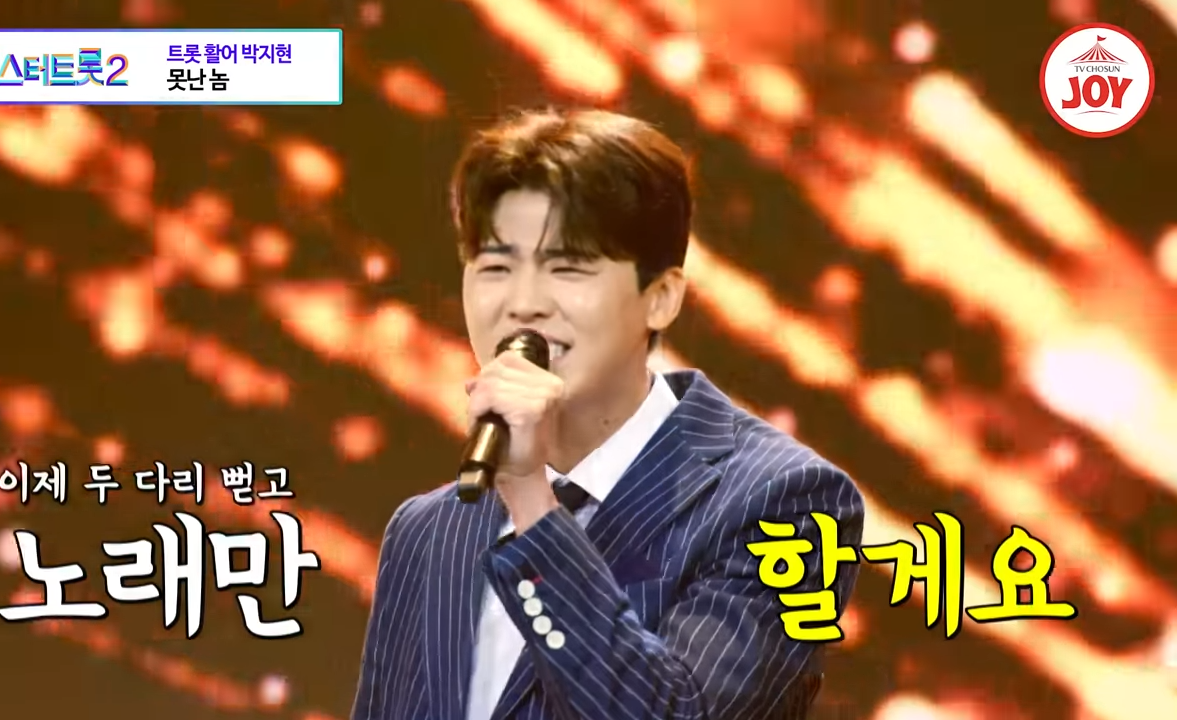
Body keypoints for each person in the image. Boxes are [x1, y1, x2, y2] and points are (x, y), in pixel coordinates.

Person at [350, 107, 865, 720]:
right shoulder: (426, 531)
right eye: (495, 267)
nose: (523, 304)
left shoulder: (784, 501)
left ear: (661, 298)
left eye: (568, 267)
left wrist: (532, 503)